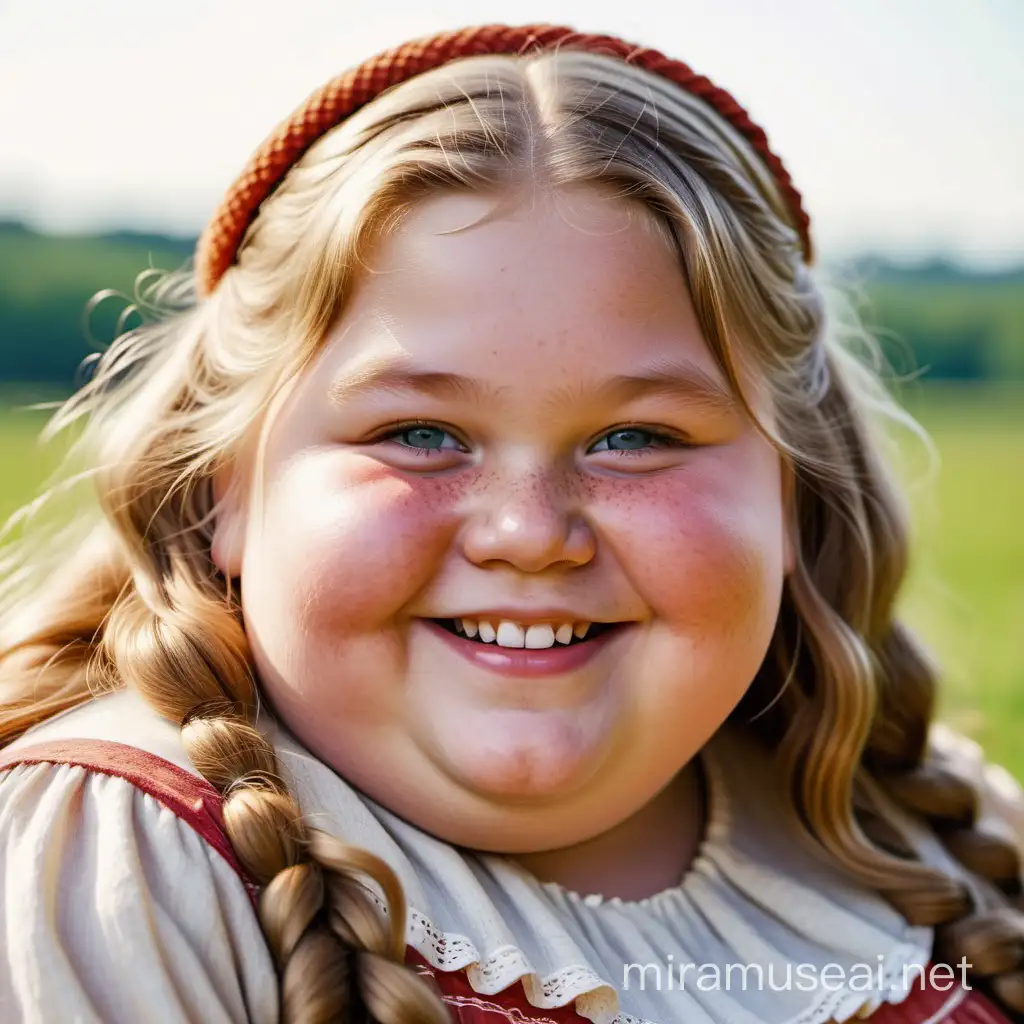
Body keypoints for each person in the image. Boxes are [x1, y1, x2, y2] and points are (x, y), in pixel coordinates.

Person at [1, 23, 1022, 1024]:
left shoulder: (930, 832)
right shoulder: (121, 859)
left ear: (792, 489)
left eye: (634, 437)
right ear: (228, 485)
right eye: (417, 431)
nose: (528, 533)